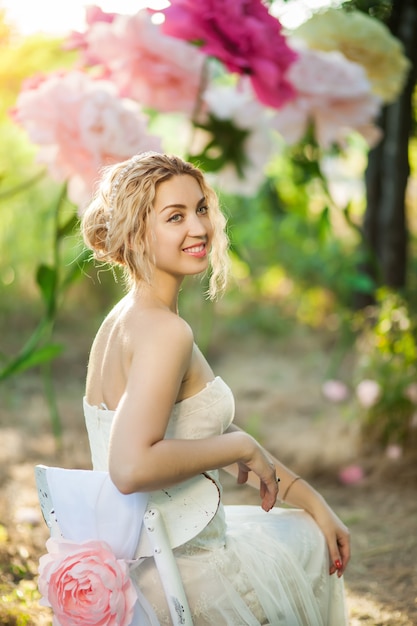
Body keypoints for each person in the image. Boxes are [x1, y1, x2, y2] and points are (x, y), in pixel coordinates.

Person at [81, 151, 350, 626]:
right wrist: (241, 444)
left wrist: (313, 501)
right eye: (175, 217)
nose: (199, 228)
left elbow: (199, 433)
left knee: (309, 526)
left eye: (201, 208)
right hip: (179, 573)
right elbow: (129, 466)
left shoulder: (123, 319)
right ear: (138, 231)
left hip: (141, 561)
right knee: (307, 550)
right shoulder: (165, 333)